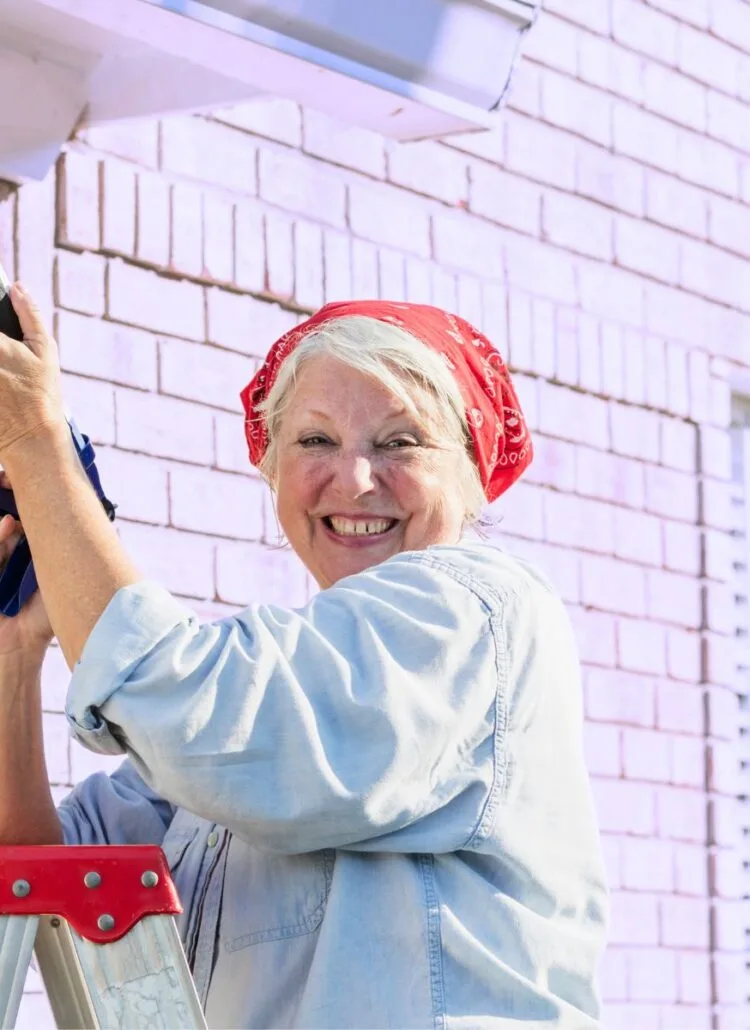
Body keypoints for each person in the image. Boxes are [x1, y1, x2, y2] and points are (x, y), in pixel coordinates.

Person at [0, 286, 608, 1029]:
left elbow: (197, 714)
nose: (354, 480)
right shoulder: (283, 688)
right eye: (315, 441)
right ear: (273, 471)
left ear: (474, 473)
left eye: (401, 442)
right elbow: (48, 870)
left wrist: (36, 447)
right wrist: (17, 647)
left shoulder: (470, 613)